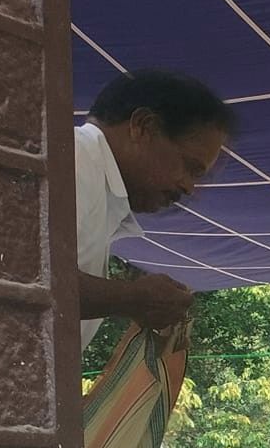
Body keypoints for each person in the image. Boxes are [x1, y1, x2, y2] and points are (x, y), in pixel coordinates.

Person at [74, 69, 237, 346]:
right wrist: (132, 298)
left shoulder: (90, 174)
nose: (189, 188)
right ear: (143, 127)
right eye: (189, 167)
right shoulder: (75, 158)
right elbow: (22, 279)